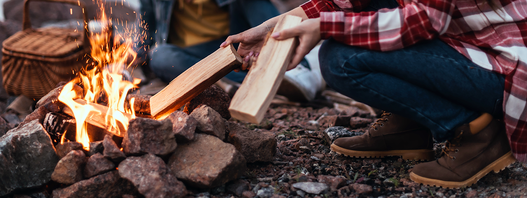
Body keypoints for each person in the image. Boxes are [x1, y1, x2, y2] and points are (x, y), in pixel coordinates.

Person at [221, 0, 527, 188]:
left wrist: (326, 28)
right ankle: (409, 125)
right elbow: (342, 2)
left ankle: (478, 130)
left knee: (341, 58)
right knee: (368, 10)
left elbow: (420, 21)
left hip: (507, 72)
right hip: (469, 48)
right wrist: (269, 29)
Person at [136, 0, 325, 101]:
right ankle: (261, 80)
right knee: (160, 55)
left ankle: (297, 68)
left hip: (235, 42)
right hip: (193, 56)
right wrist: (132, 56)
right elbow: (147, 26)